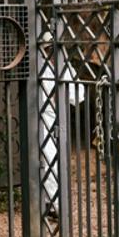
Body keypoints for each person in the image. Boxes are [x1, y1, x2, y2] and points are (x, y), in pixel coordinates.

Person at [39, 30, 86, 218]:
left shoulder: (63, 67)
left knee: (51, 159)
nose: (51, 52)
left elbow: (78, 94)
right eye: (48, 48)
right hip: (38, 114)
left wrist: (62, 92)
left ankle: (56, 205)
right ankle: (49, 203)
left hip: (53, 117)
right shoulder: (38, 65)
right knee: (44, 159)